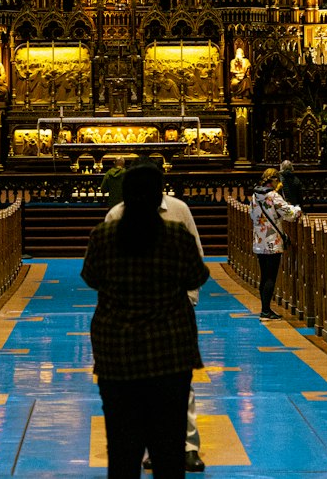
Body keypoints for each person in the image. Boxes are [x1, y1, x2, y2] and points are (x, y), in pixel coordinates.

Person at [83, 162, 208, 479]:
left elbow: (91, 278)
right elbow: (198, 274)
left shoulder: (105, 235)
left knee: (122, 453)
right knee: (168, 452)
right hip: (168, 351)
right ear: (157, 197)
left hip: (117, 354)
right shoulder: (175, 236)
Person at [250, 168, 301, 321]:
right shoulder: (272, 196)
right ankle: (265, 311)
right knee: (271, 276)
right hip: (272, 240)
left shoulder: (255, 196)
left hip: (259, 240)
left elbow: (252, 215)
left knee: (264, 275)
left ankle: (265, 308)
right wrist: (297, 209)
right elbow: (289, 214)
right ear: (272, 180)